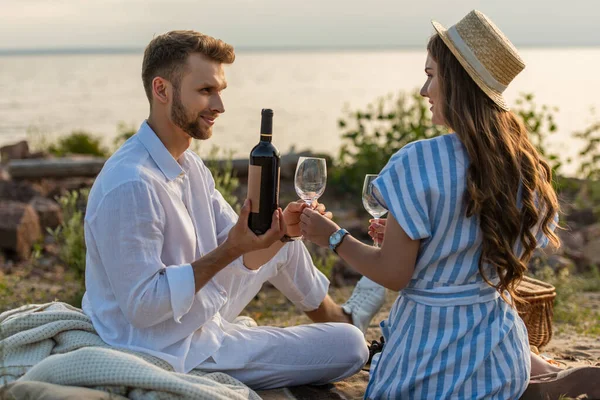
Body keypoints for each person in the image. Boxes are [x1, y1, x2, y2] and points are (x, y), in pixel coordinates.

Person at [81, 30, 385, 390]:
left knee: (284, 244)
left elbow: (245, 252)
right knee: (349, 347)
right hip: (167, 347)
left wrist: (281, 232)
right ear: (162, 90)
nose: (220, 106)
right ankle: (345, 330)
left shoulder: (189, 165)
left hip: (194, 313)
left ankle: (341, 315)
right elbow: (144, 308)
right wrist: (232, 249)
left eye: (220, 91)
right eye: (206, 91)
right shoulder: (132, 183)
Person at [299, 10, 560, 399]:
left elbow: (393, 275)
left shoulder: (418, 161)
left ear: (455, 83)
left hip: (427, 361)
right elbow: (477, 249)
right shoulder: (523, 165)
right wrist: (424, 241)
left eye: (431, 75)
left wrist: (333, 237)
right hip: (501, 361)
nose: (424, 90)